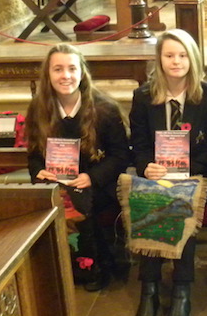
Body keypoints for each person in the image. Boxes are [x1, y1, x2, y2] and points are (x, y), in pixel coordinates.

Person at [129, 29, 207, 316]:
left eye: (183, 55)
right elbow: (139, 144)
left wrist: (186, 172)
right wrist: (148, 167)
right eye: (169, 55)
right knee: (150, 197)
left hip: (197, 174)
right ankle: (150, 289)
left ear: (193, 59)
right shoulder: (143, 96)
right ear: (159, 59)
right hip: (157, 174)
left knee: (181, 200)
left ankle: (182, 291)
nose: (176, 61)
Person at [25, 43, 130, 292]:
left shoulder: (105, 109)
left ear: (82, 72)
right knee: (54, 197)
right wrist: (38, 171)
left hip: (97, 181)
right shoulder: (38, 108)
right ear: (48, 74)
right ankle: (57, 267)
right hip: (57, 180)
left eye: (72, 68)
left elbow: (120, 156)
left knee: (78, 198)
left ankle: (90, 267)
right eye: (58, 69)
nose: (66, 76)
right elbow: (33, 154)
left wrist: (91, 177)